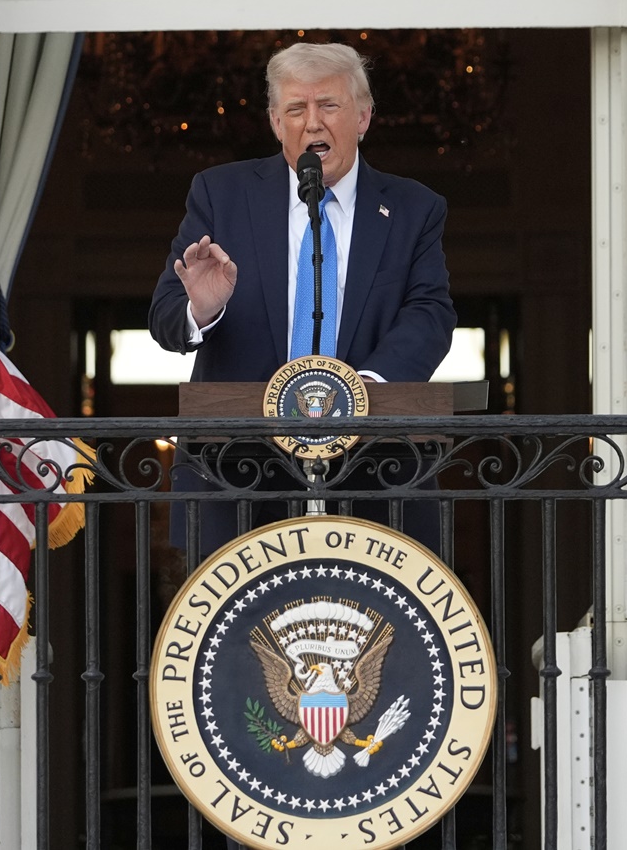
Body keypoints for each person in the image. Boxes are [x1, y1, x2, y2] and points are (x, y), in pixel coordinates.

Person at [149, 42, 457, 553]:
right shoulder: (220, 194)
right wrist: (202, 308)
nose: (312, 123)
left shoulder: (413, 208)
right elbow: (165, 317)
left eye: (329, 106)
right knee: (237, 633)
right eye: (296, 108)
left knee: (375, 632)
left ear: (363, 116)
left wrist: (360, 392)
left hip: (375, 475)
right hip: (236, 478)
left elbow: (430, 312)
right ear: (275, 121)